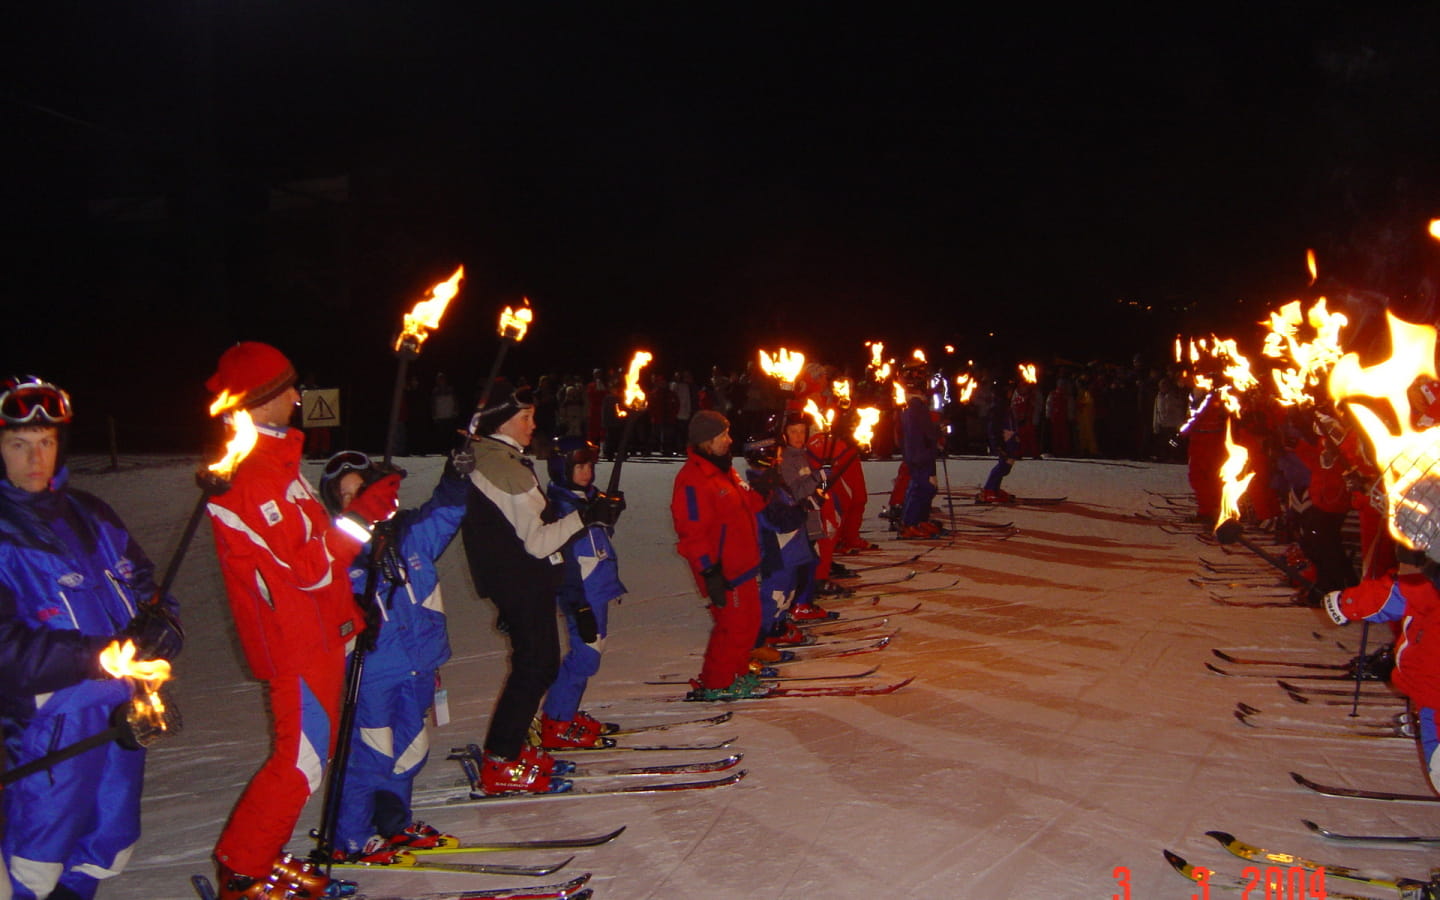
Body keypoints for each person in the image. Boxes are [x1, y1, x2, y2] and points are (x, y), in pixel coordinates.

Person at [204, 342, 399, 900]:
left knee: (312, 754)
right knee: (301, 760)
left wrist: (348, 602)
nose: (297, 396)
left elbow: (314, 549)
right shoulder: (249, 475)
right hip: (292, 640)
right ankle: (243, 869)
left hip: (317, 630)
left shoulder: (278, 464)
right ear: (259, 399)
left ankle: (260, 855)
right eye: (286, 388)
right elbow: (310, 565)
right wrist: (360, 517)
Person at [0, 375, 182, 900]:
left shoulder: (92, 514)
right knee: (36, 852)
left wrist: (161, 629)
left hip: (120, 717)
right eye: (19, 444)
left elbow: (149, 592)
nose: (36, 459)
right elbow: (6, 650)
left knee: (107, 838)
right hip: (47, 726)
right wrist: (94, 656)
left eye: (46, 442)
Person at [460, 387, 622, 793]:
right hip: (521, 579)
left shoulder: (502, 459)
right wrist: (585, 516)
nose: (534, 425)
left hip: (520, 579)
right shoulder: (503, 467)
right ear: (502, 422)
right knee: (535, 666)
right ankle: (501, 760)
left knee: (540, 663)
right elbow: (537, 540)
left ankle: (509, 749)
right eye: (526, 418)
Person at [319, 449, 467, 862]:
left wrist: (455, 478)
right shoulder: (335, 553)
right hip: (373, 674)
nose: (356, 501)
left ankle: (393, 821)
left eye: (361, 491)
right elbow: (317, 602)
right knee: (371, 753)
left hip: (419, 661)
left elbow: (446, 513)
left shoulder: (407, 534)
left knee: (410, 748)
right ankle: (348, 835)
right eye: (346, 496)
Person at [670, 410, 771, 701]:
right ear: (706, 442)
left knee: (749, 623)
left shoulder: (725, 469)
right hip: (722, 570)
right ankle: (716, 682)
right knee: (733, 627)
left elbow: (746, 503)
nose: (730, 440)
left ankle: (737, 673)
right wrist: (709, 571)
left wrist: (764, 488)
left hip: (745, 563)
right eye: (723, 435)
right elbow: (691, 533)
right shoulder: (693, 480)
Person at [536, 437, 628, 748]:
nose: (586, 472)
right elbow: (566, 560)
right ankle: (556, 720)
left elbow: (597, 537)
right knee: (585, 657)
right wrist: (579, 606)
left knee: (592, 653)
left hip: (598, 586)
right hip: (582, 592)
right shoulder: (561, 508)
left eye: (589, 465)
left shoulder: (587, 499)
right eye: (579, 466)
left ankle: (566, 712)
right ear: (562, 469)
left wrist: (609, 514)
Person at [1324, 559, 1440, 795]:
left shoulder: (1429, 580)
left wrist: (1345, 603)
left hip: (1434, 685)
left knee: (1437, 753)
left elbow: (1392, 596)